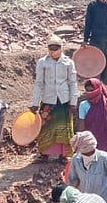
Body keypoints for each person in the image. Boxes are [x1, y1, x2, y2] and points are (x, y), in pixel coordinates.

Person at [31, 35, 79, 163]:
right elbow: (39, 83)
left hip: (63, 101)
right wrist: (35, 103)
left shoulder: (68, 63)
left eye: (56, 48)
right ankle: (44, 154)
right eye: (50, 49)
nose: (53, 51)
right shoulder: (43, 62)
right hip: (48, 100)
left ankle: (62, 155)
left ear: (61, 48)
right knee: (45, 127)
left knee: (63, 127)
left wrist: (73, 102)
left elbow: (72, 83)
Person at [78, 78, 107, 159]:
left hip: (106, 142)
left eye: (92, 90)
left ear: (99, 89)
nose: (90, 93)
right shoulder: (83, 105)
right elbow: (81, 126)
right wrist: (80, 142)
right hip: (90, 142)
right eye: (87, 91)